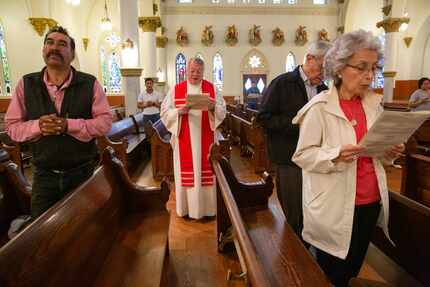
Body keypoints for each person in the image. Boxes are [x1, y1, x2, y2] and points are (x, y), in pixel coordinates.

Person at [291, 30, 404, 287]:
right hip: (334, 206)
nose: (369, 75)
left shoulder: (374, 105)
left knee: (352, 270)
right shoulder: (319, 108)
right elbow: (302, 155)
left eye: (374, 67)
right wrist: (335, 155)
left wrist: (387, 153)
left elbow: (373, 154)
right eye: (362, 67)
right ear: (340, 68)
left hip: (369, 202)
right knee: (332, 275)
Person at [5, 26, 112, 219]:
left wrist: (68, 125)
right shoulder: (26, 84)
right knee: (42, 235)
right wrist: (38, 126)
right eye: (49, 42)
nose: (54, 47)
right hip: (44, 175)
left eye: (62, 44)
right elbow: (12, 127)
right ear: (43, 50)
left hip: (82, 174)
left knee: (84, 227)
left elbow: (104, 123)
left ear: (72, 54)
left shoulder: (90, 84)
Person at [257, 40, 332, 239]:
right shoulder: (282, 83)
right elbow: (263, 118)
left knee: (312, 213)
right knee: (294, 217)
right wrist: (297, 124)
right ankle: (293, 261)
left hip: (316, 160)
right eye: (323, 67)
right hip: (289, 158)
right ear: (309, 58)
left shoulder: (324, 90)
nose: (325, 73)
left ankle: (309, 255)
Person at [161, 57, 226, 219]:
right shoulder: (176, 90)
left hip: (206, 140)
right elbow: (164, 112)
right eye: (192, 71)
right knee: (187, 175)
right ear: (186, 71)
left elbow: (222, 110)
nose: (195, 74)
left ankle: (208, 210)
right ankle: (187, 209)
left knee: (206, 174)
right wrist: (178, 112)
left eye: (199, 71)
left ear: (203, 72)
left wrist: (212, 107)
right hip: (185, 140)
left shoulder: (211, 89)